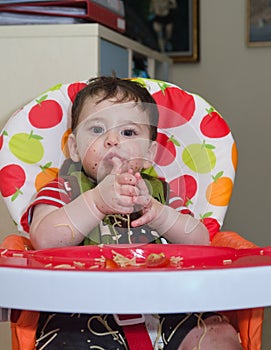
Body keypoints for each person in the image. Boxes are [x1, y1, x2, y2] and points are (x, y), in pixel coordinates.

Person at [24, 77, 242, 349]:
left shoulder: (160, 193)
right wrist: (96, 202)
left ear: (150, 151)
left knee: (218, 337)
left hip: (169, 306)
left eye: (128, 133)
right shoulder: (62, 189)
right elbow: (43, 240)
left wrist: (160, 214)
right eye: (96, 129)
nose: (112, 140)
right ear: (74, 148)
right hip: (79, 312)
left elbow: (200, 241)